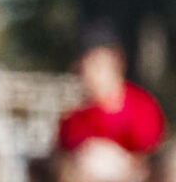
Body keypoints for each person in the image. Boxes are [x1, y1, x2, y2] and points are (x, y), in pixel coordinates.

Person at [58, 21, 164, 158]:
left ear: (117, 61)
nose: (90, 76)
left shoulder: (143, 109)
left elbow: (152, 160)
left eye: (97, 65)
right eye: (84, 69)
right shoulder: (74, 121)